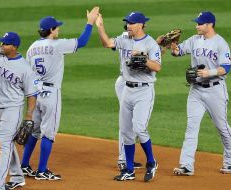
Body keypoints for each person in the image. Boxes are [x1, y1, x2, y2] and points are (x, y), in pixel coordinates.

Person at [20, 7, 99, 180]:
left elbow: (27, 73)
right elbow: (82, 41)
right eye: (56, 27)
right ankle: (42, 171)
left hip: (35, 93)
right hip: (50, 93)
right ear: (51, 30)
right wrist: (90, 22)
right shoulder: (57, 44)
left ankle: (24, 165)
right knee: (48, 133)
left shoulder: (32, 47)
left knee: (35, 130)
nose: (59, 29)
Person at [96, 11, 161, 182]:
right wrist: (100, 27)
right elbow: (107, 43)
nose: (128, 26)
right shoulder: (124, 38)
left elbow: (157, 67)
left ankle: (151, 162)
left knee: (139, 128)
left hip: (144, 91)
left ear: (140, 25)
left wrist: (143, 59)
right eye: (127, 23)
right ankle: (129, 169)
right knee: (126, 131)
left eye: (131, 23)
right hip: (127, 89)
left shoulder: (150, 43)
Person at [171, 11, 231, 176]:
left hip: (215, 90)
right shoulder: (194, 40)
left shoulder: (220, 43)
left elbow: (226, 67)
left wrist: (209, 73)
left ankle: (230, 161)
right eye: (196, 23)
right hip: (196, 91)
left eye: (199, 23)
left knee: (222, 127)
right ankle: (186, 165)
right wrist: (174, 47)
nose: (196, 26)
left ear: (209, 25)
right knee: (191, 127)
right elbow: (178, 52)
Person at [0, 32, 38, 190]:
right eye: (2, 43)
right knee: (7, 144)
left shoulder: (24, 68)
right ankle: (17, 176)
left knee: (5, 146)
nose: (1, 46)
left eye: (5, 44)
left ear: (14, 47)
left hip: (12, 109)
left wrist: (29, 116)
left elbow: (32, 94)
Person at [113, 30, 143, 171]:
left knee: (130, 121)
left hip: (126, 80)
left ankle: (125, 158)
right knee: (127, 121)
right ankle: (123, 159)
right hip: (126, 82)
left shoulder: (124, 38)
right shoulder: (127, 38)